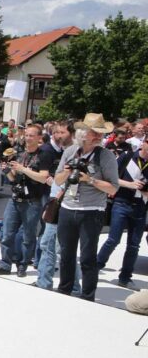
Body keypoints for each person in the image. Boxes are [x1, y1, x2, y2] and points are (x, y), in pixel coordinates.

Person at [53, 113, 120, 301]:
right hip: (68, 208)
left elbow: (113, 187)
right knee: (66, 254)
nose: (99, 136)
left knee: (87, 257)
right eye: (94, 132)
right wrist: (67, 172)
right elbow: (57, 180)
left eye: (101, 133)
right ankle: (64, 290)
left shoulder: (105, 156)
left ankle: (88, 296)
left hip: (92, 211)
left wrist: (89, 180)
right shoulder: (70, 151)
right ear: (82, 133)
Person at [0, 125, 52, 277]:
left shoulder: (43, 155)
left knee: (28, 236)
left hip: (32, 201)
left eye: (32, 136)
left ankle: (22, 265)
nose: (28, 138)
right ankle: (5, 264)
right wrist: (7, 171)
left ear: (39, 138)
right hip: (15, 198)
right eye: (27, 135)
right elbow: (13, 179)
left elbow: (43, 177)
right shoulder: (19, 154)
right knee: (7, 234)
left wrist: (23, 169)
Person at [96, 136, 148, 288]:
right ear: (144, 143)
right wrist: (130, 184)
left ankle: (125, 277)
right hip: (122, 202)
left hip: (141, 206)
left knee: (134, 245)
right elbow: (112, 178)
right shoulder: (127, 156)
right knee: (113, 239)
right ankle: (95, 267)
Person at [35, 120, 80, 291]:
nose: (58, 136)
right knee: (49, 245)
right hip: (56, 201)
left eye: (62, 132)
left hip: (65, 204)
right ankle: (45, 282)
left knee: (60, 247)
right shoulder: (66, 151)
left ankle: (72, 287)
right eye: (56, 132)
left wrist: (58, 194)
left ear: (72, 133)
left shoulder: (75, 151)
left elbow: (74, 179)